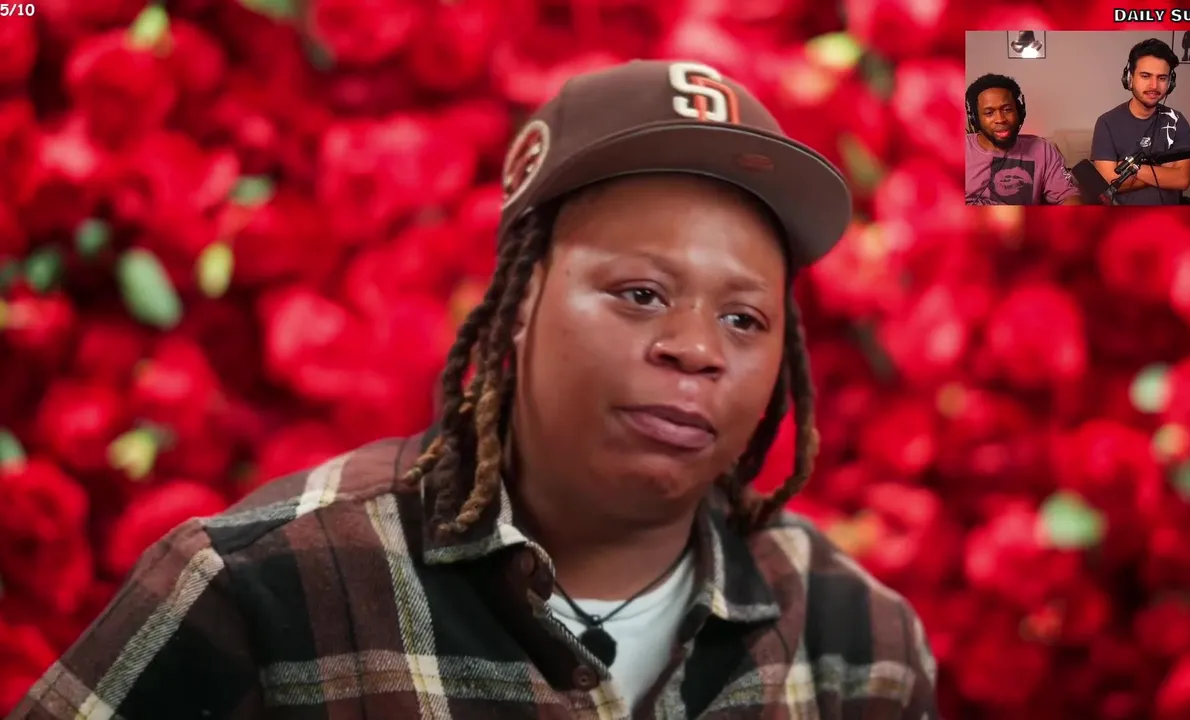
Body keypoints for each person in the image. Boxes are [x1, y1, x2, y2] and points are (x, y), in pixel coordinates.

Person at [9, 60, 938, 719]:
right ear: (519, 303)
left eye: (744, 318)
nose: (696, 349)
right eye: (640, 294)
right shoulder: (263, 592)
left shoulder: (858, 642)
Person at [1089, 38, 1190, 205]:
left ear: (1170, 83)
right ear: (1129, 78)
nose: (1154, 86)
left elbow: (1182, 180)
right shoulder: (1106, 122)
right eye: (1145, 76)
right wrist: (1163, 170)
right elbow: (1110, 181)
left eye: (1162, 78)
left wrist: (1130, 168)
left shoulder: (1177, 121)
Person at [964, 73, 1082, 205]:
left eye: (1007, 109)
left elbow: (1068, 196)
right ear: (975, 119)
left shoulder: (1042, 149)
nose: (1000, 119)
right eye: (989, 113)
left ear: (1020, 112)